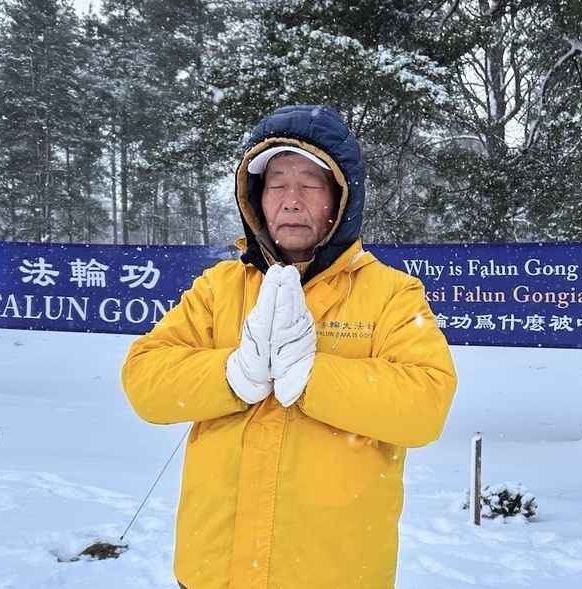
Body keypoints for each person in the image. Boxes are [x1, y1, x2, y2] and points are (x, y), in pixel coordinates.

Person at [121, 105, 457, 588]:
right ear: (256, 199)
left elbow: (425, 405)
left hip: (333, 574)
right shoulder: (219, 288)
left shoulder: (390, 293)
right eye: (276, 184)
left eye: (310, 184)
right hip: (213, 572)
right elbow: (145, 380)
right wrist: (232, 375)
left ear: (340, 198)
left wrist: (313, 377)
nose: (291, 200)